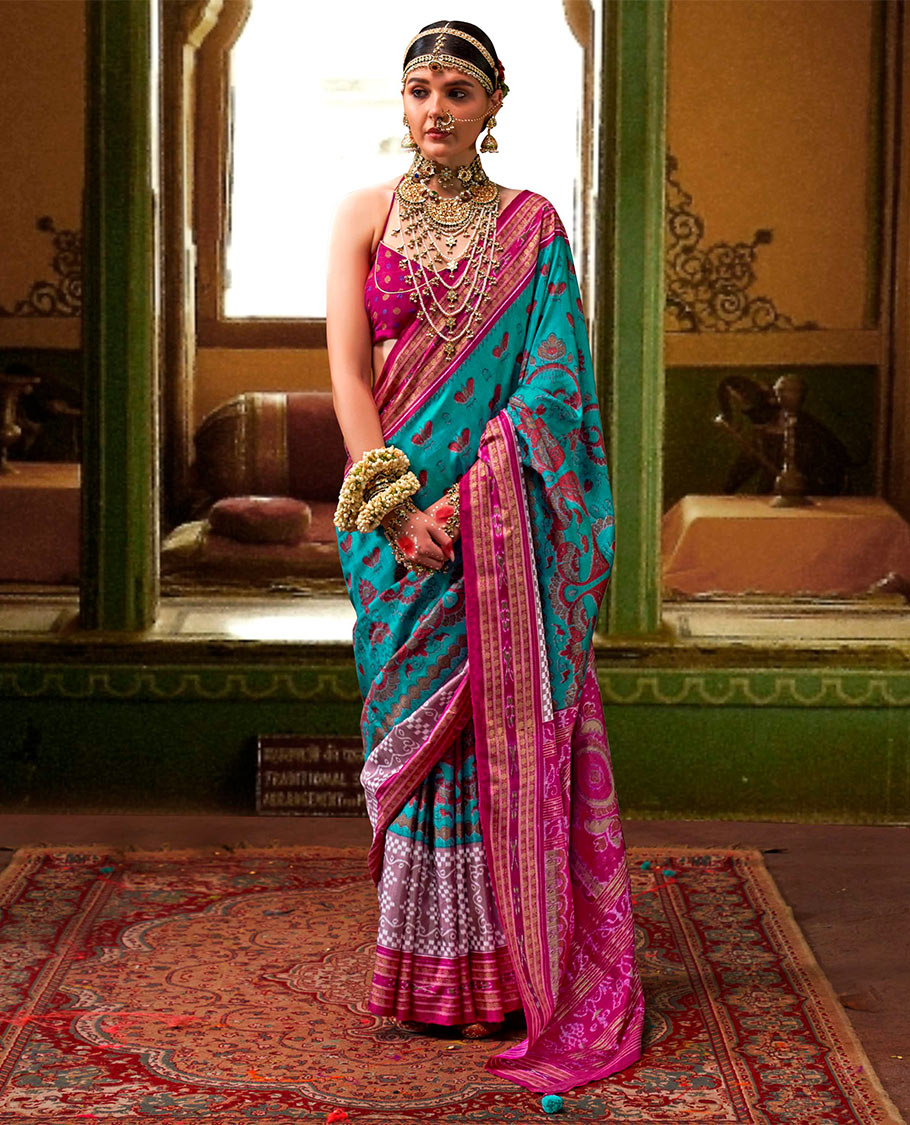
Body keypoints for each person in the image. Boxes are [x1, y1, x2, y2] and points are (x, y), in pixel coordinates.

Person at [327, 19, 644, 1093]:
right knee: (411, 735)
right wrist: (391, 505)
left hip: (494, 523)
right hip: (391, 522)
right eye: (420, 88)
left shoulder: (532, 226)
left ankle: (503, 973)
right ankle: (422, 977)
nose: (436, 108)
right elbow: (349, 376)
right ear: (402, 99)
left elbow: (554, 385)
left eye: (458, 91)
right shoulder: (363, 215)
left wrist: (469, 504)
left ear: (493, 106)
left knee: (495, 735)